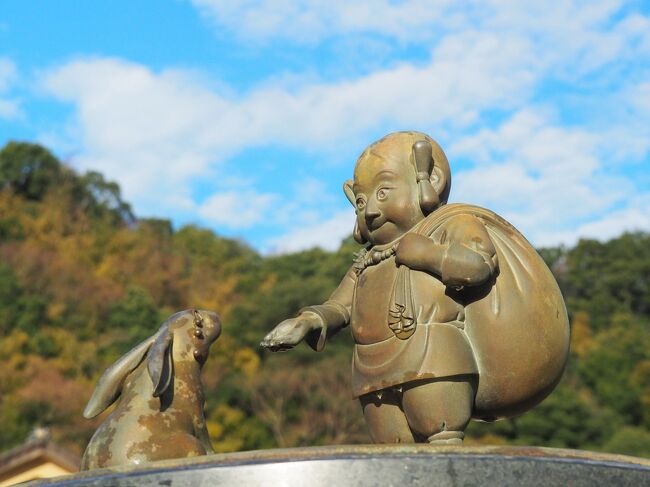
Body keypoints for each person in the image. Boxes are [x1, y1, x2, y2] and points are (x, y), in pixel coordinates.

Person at [261, 131, 499, 444]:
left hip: (434, 357)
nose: (370, 209)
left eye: (383, 193)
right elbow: (340, 306)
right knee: (391, 459)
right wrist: (309, 321)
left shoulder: (450, 225)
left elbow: (479, 265)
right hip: (371, 373)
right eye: (361, 200)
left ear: (431, 180)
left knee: (442, 440)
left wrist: (431, 254)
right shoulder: (367, 260)